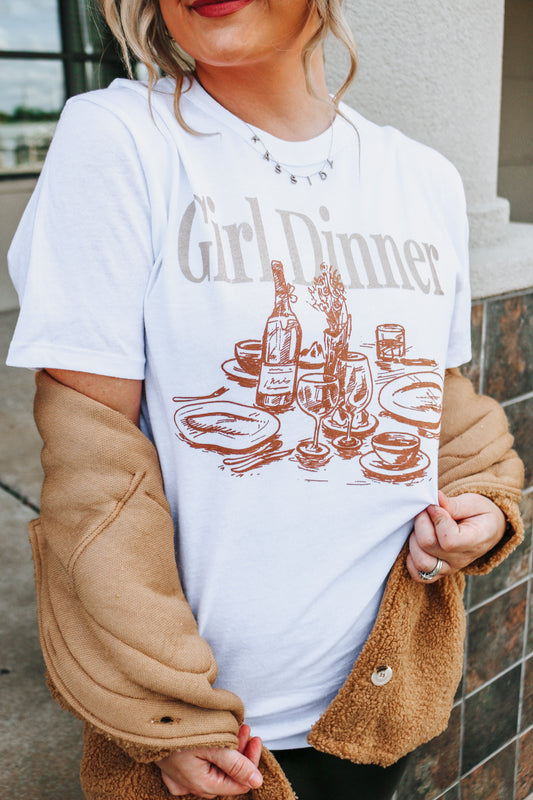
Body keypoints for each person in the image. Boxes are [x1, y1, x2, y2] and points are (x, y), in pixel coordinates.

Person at [6, 1, 524, 799]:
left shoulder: (421, 178)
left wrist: (482, 502)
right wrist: (162, 712)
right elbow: (93, 463)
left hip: (380, 699)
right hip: (211, 735)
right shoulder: (121, 140)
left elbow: (437, 400)